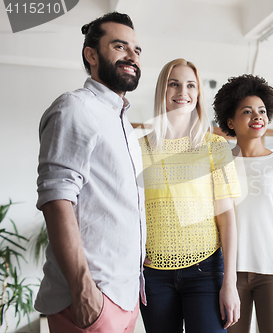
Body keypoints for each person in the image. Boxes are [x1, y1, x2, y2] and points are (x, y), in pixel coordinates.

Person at [35, 12, 146, 333]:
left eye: (137, 50)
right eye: (120, 46)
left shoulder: (122, 122)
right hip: (90, 295)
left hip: (125, 297)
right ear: (92, 54)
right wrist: (82, 287)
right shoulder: (75, 108)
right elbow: (56, 200)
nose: (132, 56)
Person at [139, 58, 241, 333]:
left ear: (197, 94)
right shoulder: (138, 148)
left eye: (190, 85)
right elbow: (128, 210)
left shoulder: (215, 147)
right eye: (174, 84)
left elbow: (227, 218)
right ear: (163, 90)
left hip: (205, 271)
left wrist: (229, 283)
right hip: (153, 274)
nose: (182, 91)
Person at [213, 74, 273, 333]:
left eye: (262, 111)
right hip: (229, 273)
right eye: (247, 111)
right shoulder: (219, 164)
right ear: (230, 121)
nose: (258, 117)